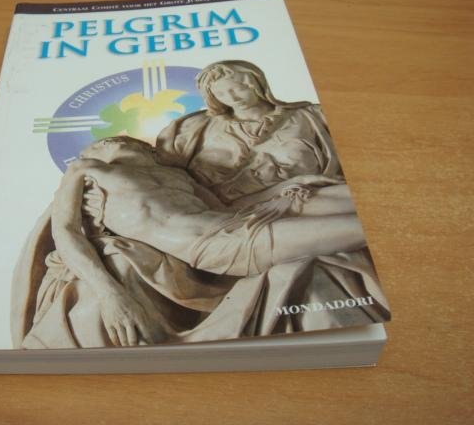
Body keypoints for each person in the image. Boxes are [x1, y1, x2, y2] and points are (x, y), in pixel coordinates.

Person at [50, 136, 366, 347]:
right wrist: (110, 295)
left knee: (342, 196)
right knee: (360, 229)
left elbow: (228, 209)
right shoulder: (85, 170)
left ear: (152, 152)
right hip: (220, 246)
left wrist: (291, 184)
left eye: (123, 139)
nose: (112, 141)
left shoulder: (178, 176)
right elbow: (65, 230)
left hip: (238, 222)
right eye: (103, 142)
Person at [157, 60, 342, 205]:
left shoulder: (313, 116)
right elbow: (161, 176)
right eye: (221, 94)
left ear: (257, 84)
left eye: (239, 89)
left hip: (306, 201)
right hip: (217, 216)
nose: (232, 98)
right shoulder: (192, 129)